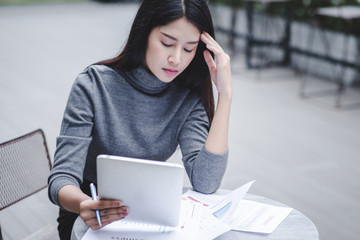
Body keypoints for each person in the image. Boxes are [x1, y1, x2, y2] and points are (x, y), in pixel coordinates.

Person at [48, 0, 232, 239]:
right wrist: (84, 205)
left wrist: (226, 95)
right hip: (89, 214)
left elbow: (206, 181)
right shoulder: (94, 84)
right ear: (144, 33)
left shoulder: (187, 98)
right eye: (167, 43)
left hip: (151, 217)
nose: (176, 59)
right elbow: (61, 178)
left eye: (189, 49)